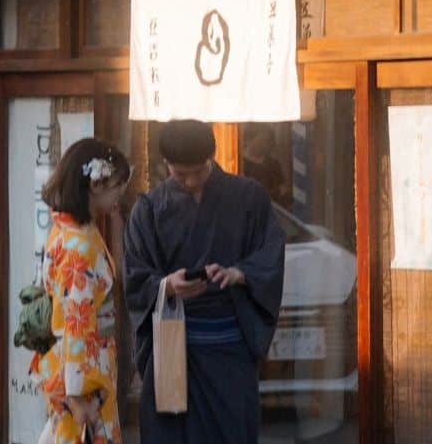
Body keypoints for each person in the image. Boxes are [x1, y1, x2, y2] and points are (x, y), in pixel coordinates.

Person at [123, 120, 285, 444]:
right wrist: (166, 285)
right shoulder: (150, 209)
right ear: (165, 164)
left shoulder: (249, 197)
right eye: (180, 175)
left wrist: (241, 273)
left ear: (212, 156)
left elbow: (270, 252)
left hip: (229, 347)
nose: (192, 182)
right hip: (172, 346)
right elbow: (135, 276)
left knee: (231, 432)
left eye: (198, 171)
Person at [35, 138, 131, 444]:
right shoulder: (81, 245)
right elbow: (75, 322)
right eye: (118, 185)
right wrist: (76, 394)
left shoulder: (66, 230)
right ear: (97, 184)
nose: (120, 193)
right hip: (85, 377)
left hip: (79, 365)